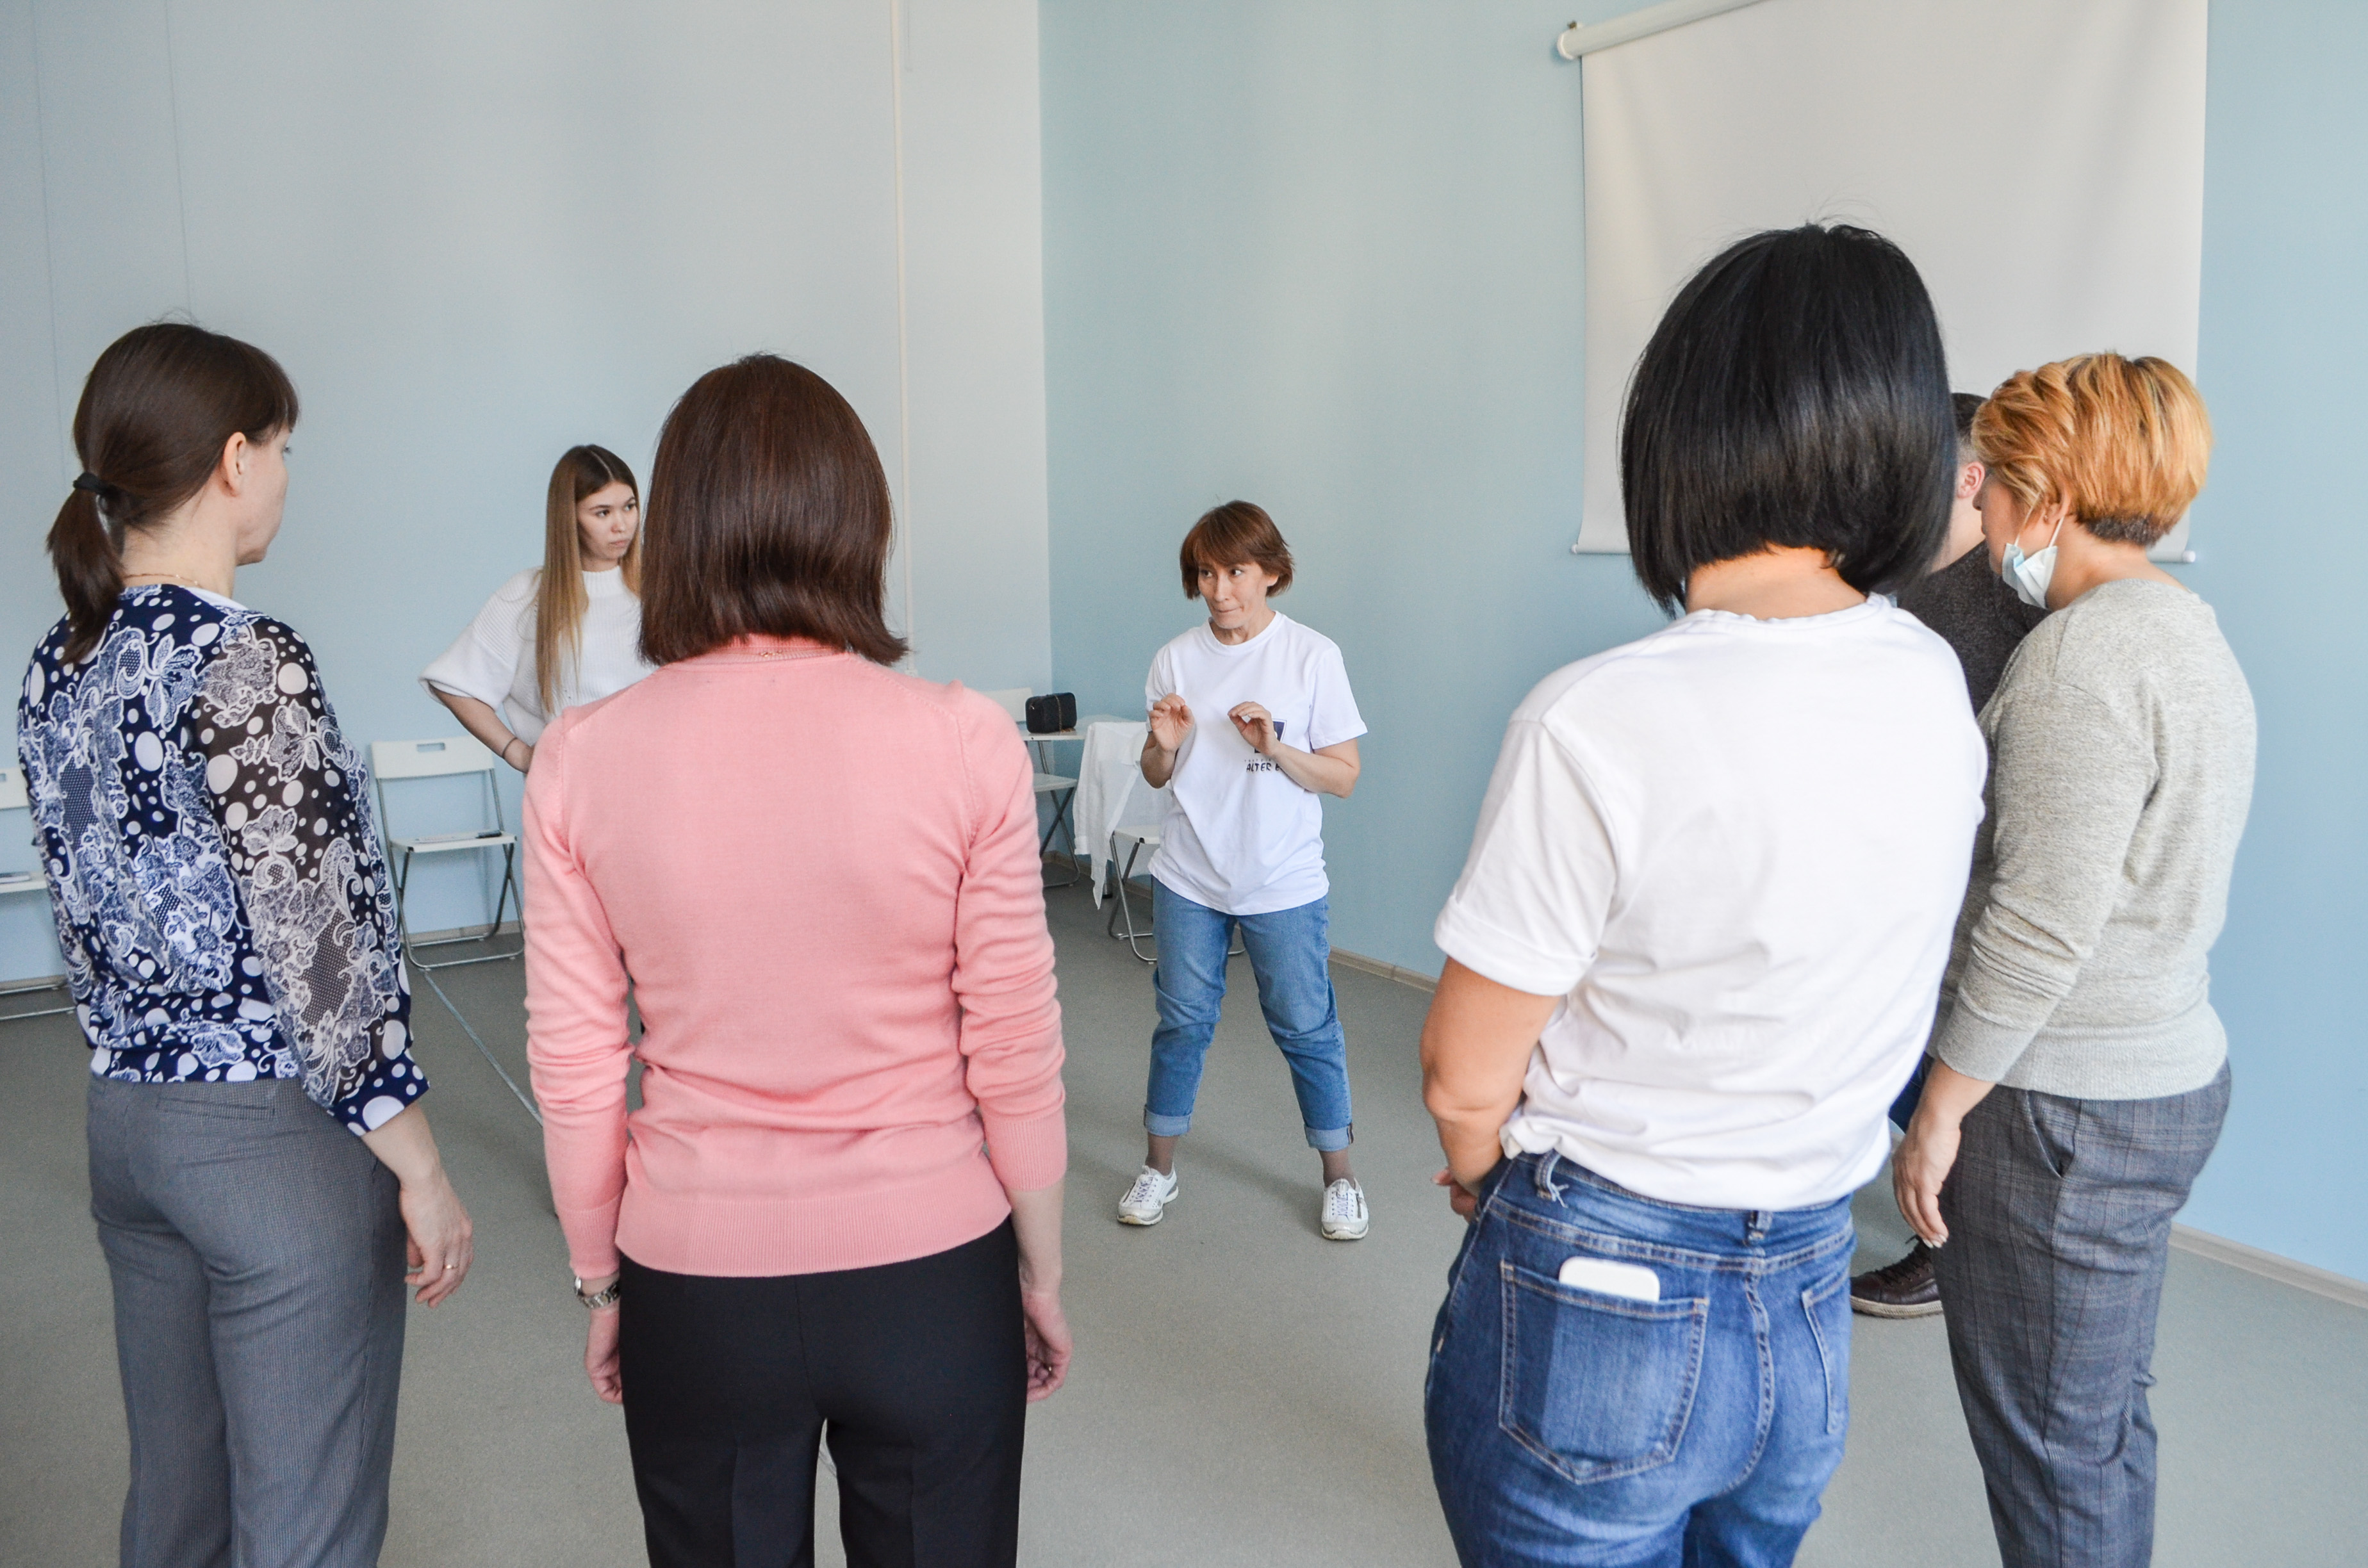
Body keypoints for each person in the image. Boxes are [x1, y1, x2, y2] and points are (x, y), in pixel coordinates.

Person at [1417, 224, 1987, 1566]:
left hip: (1603, 1273)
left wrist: (1479, 1178)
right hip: (1807, 1290)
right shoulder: (1928, 682)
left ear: (1677, 438)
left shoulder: (1599, 717)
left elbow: (1461, 1075)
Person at [523, 354, 1070, 1568]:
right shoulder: (965, 738)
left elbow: (575, 1064)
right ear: (857, 520)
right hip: (934, 1274)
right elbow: (1014, 1037)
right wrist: (1036, 1265)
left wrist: (601, 1282)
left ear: (678, 529)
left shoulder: (581, 755)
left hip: (696, 1281)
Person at [19, 322, 473, 1568]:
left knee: (177, 1513)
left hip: (128, 1125)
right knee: (304, 1528)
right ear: (234, 459)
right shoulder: (245, 658)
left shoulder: (60, 662)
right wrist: (421, 1166)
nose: (281, 473)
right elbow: (323, 952)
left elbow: (79, 908)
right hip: (271, 1141)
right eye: (280, 447)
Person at [1894, 354, 2251, 1568]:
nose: (1983, 511)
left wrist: (1941, 1107)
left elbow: (2039, 926)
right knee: (2094, 1425)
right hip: (2161, 1072)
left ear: (2048, 497)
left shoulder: (2076, 662)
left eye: (1993, 484)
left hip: (2062, 1109)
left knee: (2052, 1451)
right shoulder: (2181, 628)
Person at [1115, 502, 1371, 1240]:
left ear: (1272, 574)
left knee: (1307, 1028)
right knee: (1181, 1024)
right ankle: (1158, 1169)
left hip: (1283, 880)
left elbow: (1344, 776)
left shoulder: (1311, 656)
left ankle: (1341, 1178)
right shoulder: (1174, 659)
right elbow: (1158, 774)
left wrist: (1276, 747)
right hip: (1189, 877)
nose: (1220, 590)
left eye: (1236, 572)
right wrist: (1163, 745)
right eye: (1206, 574)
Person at [1851, 389, 2048, 1319]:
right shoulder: (1913, 590)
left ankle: (1953, 1246)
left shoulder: (2010, 605)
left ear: (1971, 481)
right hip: (1910, 868)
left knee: (1934, 1068)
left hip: (1970, 881)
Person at [422, 443, 651, 772]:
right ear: (569, 518)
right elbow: (453, 682)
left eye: (629, 507)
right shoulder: (530, 595)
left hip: (659, 781)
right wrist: (517, 753)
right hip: (572, 788)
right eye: (602, 512)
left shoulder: (662, 591)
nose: (622, 525)